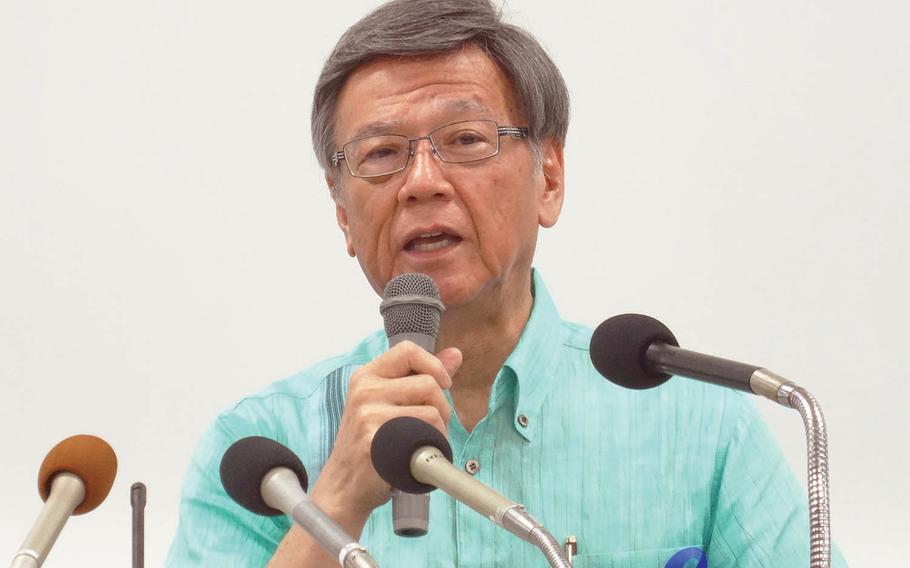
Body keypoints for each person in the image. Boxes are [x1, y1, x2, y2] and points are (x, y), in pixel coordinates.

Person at [166, 1, 848, 566]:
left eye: (465, 140)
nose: (422, 182)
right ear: (343, 214)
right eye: (381, 155)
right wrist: (336, 501)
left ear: (549, 178)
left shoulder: (698, 426)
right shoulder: (258, 458)